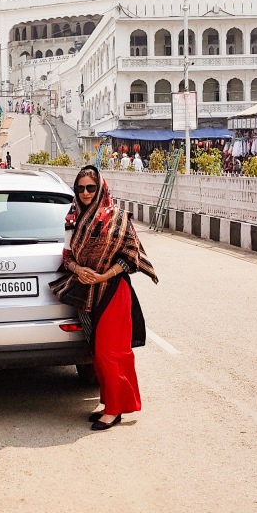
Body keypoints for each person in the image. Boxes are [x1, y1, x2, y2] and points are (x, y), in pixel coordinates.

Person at [49, 166, 157, 431]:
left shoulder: (117, 217)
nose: (85, 193)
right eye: (80, 188)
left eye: (91, 188)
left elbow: (131, 256)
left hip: (112, 290)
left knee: (110, 353)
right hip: (85, 293)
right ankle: (108, 403)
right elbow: (66, 256)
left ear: (101, 189)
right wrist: (79, 270)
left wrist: (102, 275)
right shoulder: (72, 217)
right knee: (97, 353)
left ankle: (116, 409)